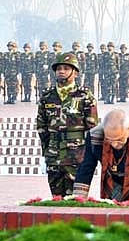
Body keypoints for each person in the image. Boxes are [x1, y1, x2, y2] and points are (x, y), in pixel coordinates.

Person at [72, 109, 129, 207]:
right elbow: (86, 167)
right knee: (113, 207)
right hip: (114, 175)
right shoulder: (94, 136)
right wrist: (78, 200)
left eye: (119, 140)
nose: (114, 144)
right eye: (109, 140)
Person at [36, 52, 98, 196]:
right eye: (58, 69)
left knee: (76, 200)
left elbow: (93, 129)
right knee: (56, 199)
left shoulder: (84, 96)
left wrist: (88, 156)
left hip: (76, 156)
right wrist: (47, 150)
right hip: (54, 155)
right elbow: (41, 127)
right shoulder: (47, 96)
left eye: (66, 68)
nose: (61, 71)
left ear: (75, 72)